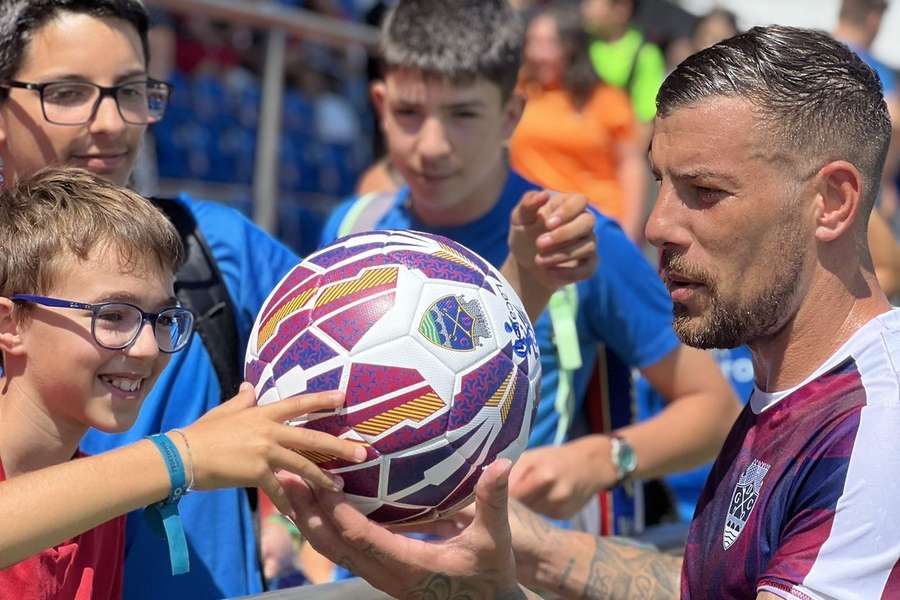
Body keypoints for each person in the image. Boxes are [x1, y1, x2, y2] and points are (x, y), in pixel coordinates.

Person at [0, 2, 597, 594]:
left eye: (132, 91)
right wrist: (182, 460)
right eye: (69, 92)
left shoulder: (212, 247)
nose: (110, 122)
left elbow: (394, 358)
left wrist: (523, 279)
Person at [289, 24, 900, 599]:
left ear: (832, 202)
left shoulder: (878, 430)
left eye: (705, 192)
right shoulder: (801, 396)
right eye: (660, 183)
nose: (658, 225)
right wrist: (534, 553)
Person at [320, 0, 738, 542]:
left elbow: (716, 408)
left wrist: (605, 458)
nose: (432, 145)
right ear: (379, 103)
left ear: (511, 114)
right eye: (408, 113)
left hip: (521, 569)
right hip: (367, 567)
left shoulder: (576, 241)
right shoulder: (352, 231)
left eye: (464, 114)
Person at [0, 167, 364, 598]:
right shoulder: (116, 488)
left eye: (164, 319)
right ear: (11, 323)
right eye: (113, 316)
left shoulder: (102, 513)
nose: (148, 348)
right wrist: (181, 457)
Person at [509, 1, 646, 240]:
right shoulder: (519, 93)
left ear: (573, 47)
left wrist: (629, 235)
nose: (536, 53)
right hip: (531, 228)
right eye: (532, 42)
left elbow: (630, 166)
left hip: (595, 229)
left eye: (548, 44)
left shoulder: (605, 99)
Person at [581, 0, 666, 146]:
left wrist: (629, 162)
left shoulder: (644, 54)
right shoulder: (578, 43)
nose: (584, 8)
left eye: (593, 3)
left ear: (622, 8)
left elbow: (644, 120)